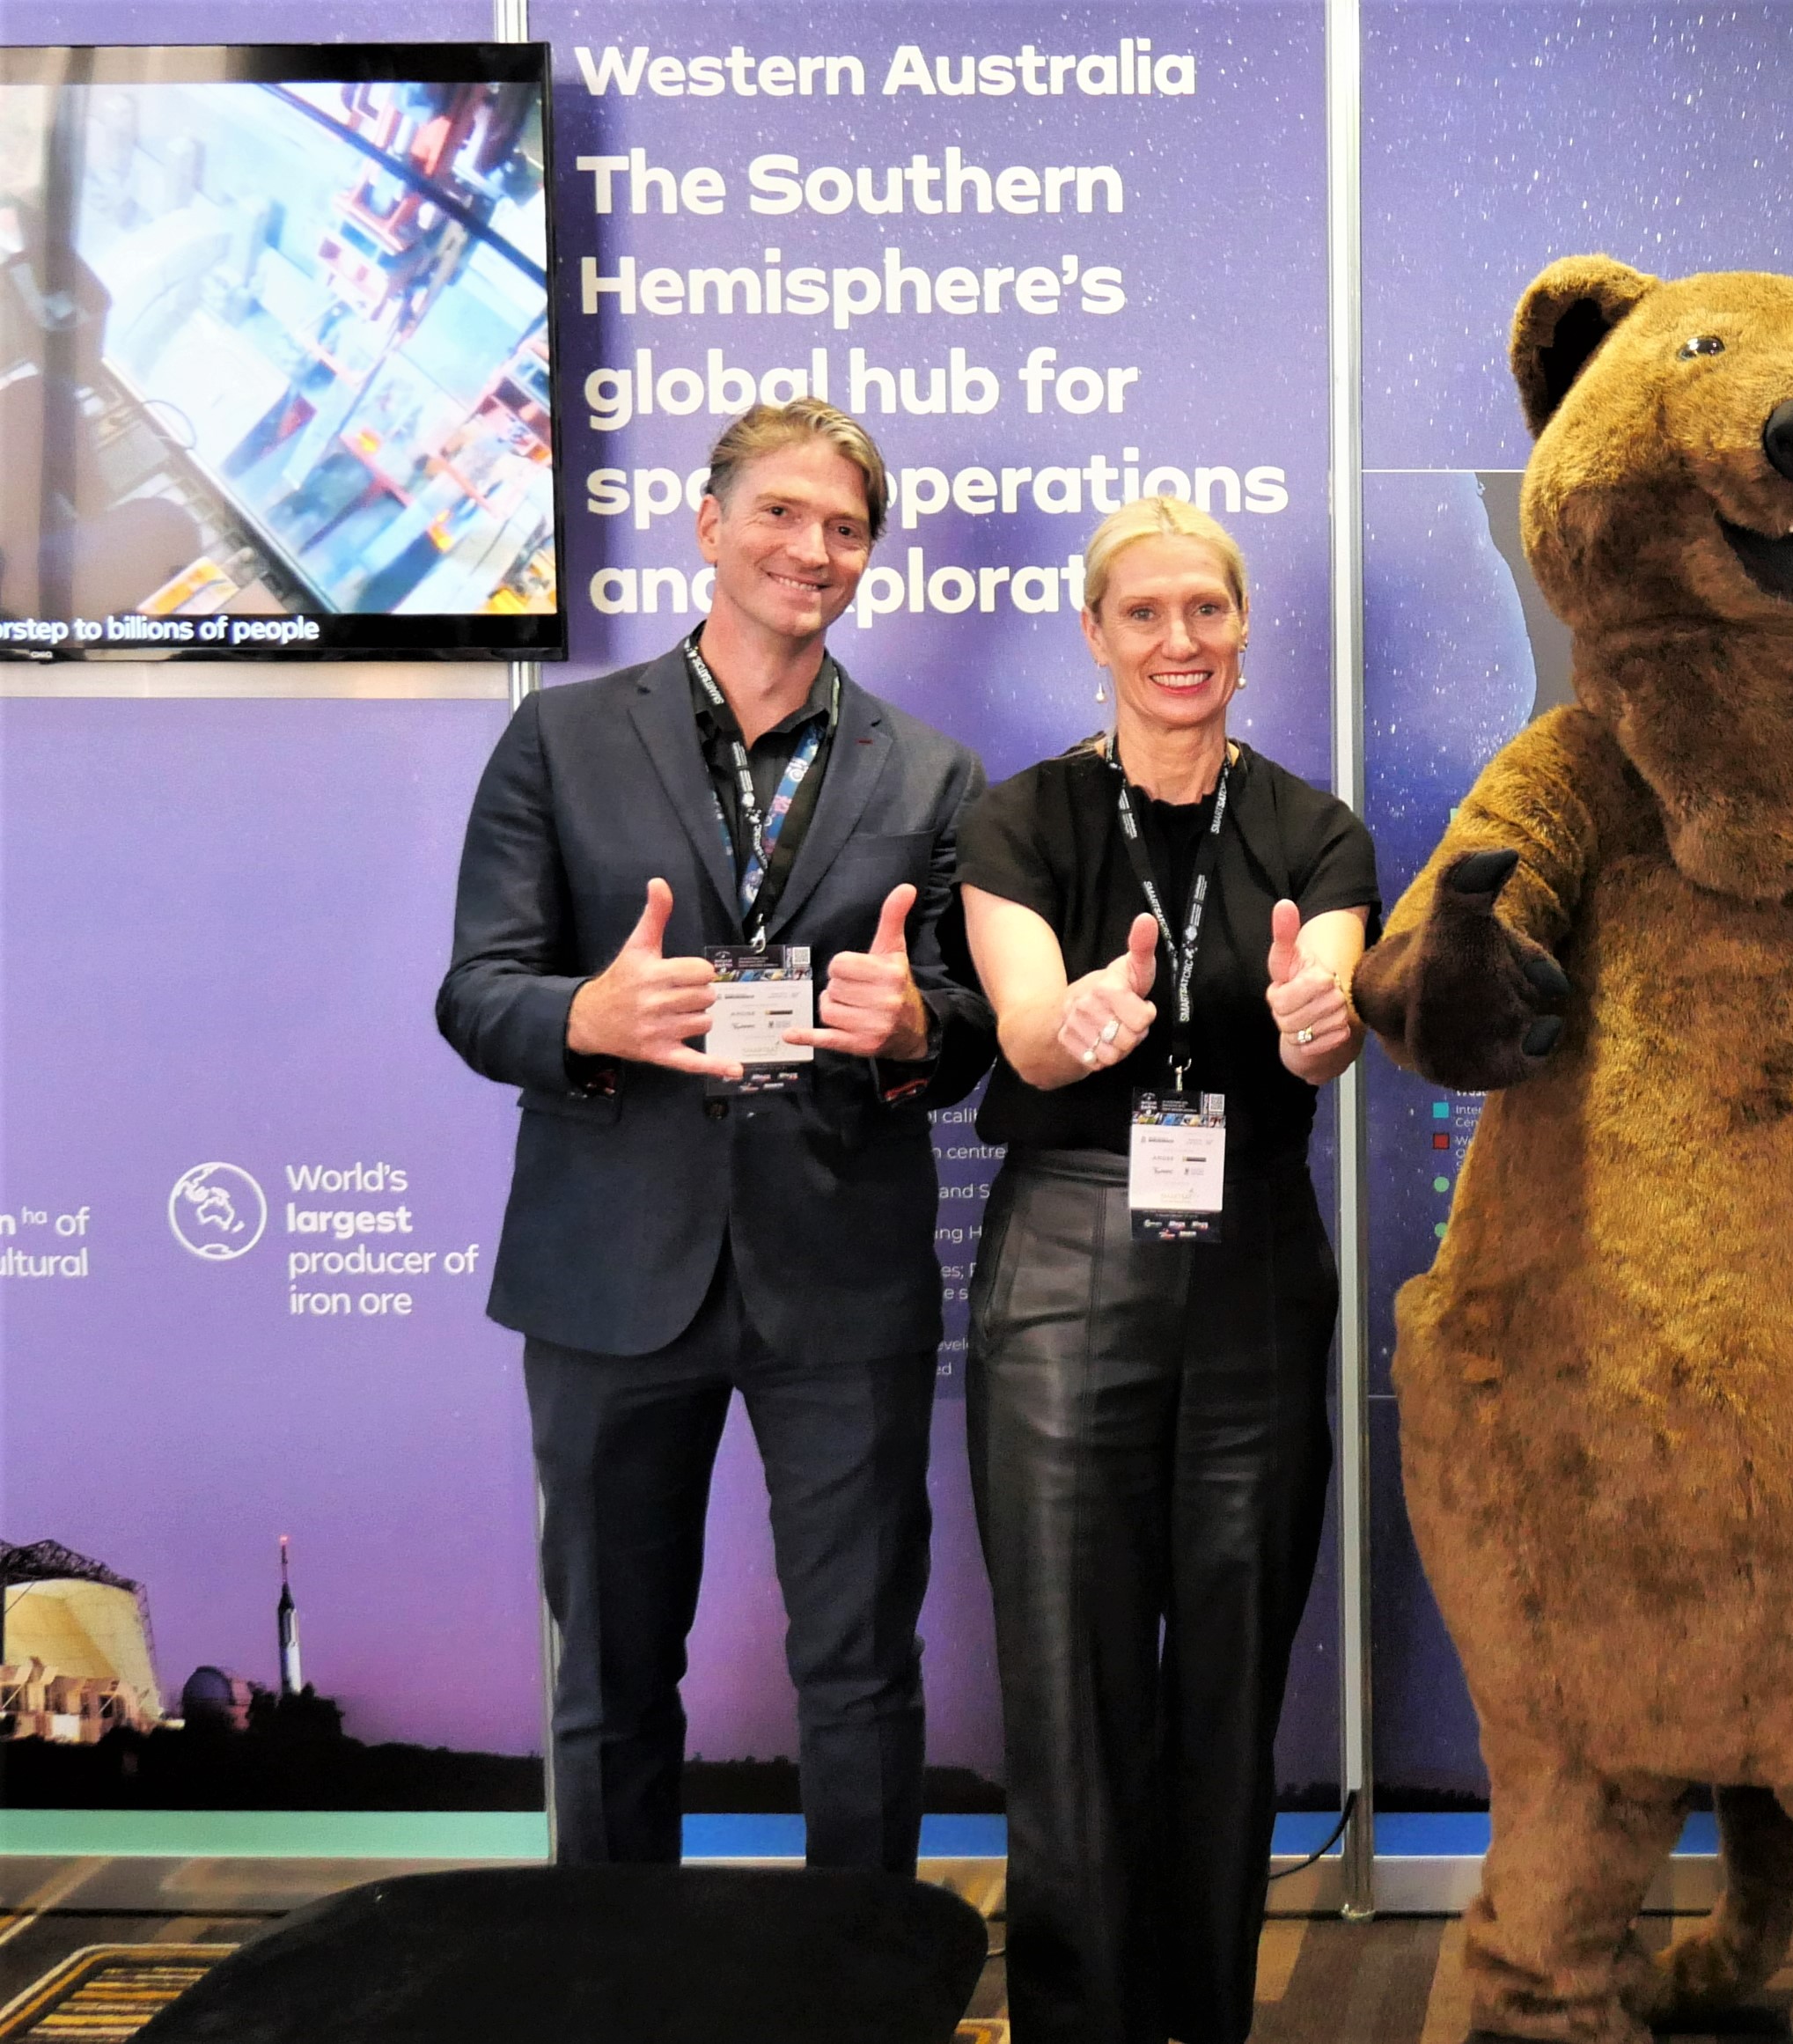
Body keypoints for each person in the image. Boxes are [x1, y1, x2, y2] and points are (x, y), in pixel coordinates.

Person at [437, 399, 992, 1871]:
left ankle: (863, 1994)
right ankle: (616, 1994)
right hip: (610, 1268)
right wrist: (585, 1018)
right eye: (781, 514)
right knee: (613, 1680)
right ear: (708, 523)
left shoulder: (931, 774)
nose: (811, 551)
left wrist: (917, 1027)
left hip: (840, 1275)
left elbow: (970, 1026)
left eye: (845, 528)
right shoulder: (557, 741)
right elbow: (475, 992)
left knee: (861, 1671)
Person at [954, 496, 1375, 2044]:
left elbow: (1320, 989)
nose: (1178, 640)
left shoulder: (1314, 828)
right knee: (1067, 1685)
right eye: (1144, 613)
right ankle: (1073, 2025)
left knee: (1228, 1676)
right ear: (1095, 633)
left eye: (1206, 609)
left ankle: (1206, 2021)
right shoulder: (1021, 819)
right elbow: (1016, 1020)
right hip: (1068, 1250)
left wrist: (1317, 1020)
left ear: (1243, 626)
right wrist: (1067, 1025)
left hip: (1255, 1258)